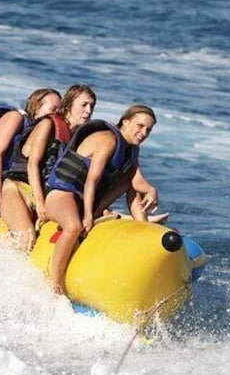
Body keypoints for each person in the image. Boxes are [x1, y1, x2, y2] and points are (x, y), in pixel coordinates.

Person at [42, 104, 160, 295]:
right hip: (61, 194)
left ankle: (143, 226)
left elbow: (136, 182)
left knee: (128, 180)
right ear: (125, 121)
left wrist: (152, 190)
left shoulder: (131, 151)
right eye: (140, 126)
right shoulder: (108, 139)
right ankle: (53, 285)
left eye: (148, 129)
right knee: (73, 226)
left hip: (84, 200)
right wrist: (88, 215)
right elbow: (92, 179)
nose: (144, 132)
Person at [0, 85, 96, 251]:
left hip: (46, 194)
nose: (88, 111)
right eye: (84, 105)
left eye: (92, 106)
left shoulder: (76, 137)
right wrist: (40, 203)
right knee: (26, 236)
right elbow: (32, 164)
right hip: (17, 189)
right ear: (69, 105)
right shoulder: (48, 124)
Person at [0, 88, 63, 231]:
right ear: (37, 108)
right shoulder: (16, 117)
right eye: (53, 109)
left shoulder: (36, 131)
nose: (56, 114)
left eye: (59, 110)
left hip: (2, 179)